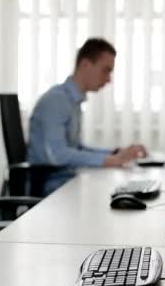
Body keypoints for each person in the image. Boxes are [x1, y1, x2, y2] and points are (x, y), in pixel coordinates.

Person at [28, 37, 147, 195]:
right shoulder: (56, 100)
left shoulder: (71, 101)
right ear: (85, 65)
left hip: (67, 182)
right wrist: (109, 161)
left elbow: (76, 148)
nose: (109, 79)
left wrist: (115, 154)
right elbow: (57, 155)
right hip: (51, 188)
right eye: (106, 70)